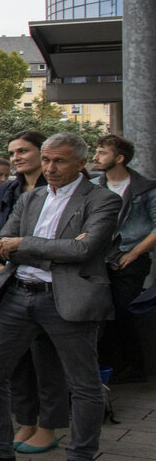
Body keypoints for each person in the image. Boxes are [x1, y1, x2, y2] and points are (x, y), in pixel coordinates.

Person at [0, 132, 122, 461]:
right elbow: (2, 241)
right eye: (46, 160)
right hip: (17, 295)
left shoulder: (102, 199)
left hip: (66, 298)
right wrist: (54, 250)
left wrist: (24, 245)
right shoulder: (30, 198)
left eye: (60, 160)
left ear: (82, 163)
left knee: (83, 384)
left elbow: (85, 248)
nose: (50, 167)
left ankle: (80, 455)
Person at [0, 130, 67, 453]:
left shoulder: (60, 190)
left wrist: (18, 250)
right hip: (10, 283)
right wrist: (0, 263)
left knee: (47, 361)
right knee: (13, 364)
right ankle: (26, 420)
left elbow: (65, 244)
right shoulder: (8, 188)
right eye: (12, 152)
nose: (16, 157)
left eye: (24, 151)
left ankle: (49, 426)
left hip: (52, 287)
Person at [91, 134, 155, 384]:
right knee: (101, 312)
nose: (96, 157)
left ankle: (132, 366)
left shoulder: (145, 188)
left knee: (122, 311)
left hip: (131, 259)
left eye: (102, 153)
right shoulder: (95, 185)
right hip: (99, 259)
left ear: (119, 158)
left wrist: (134, 252)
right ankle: (108, 365)